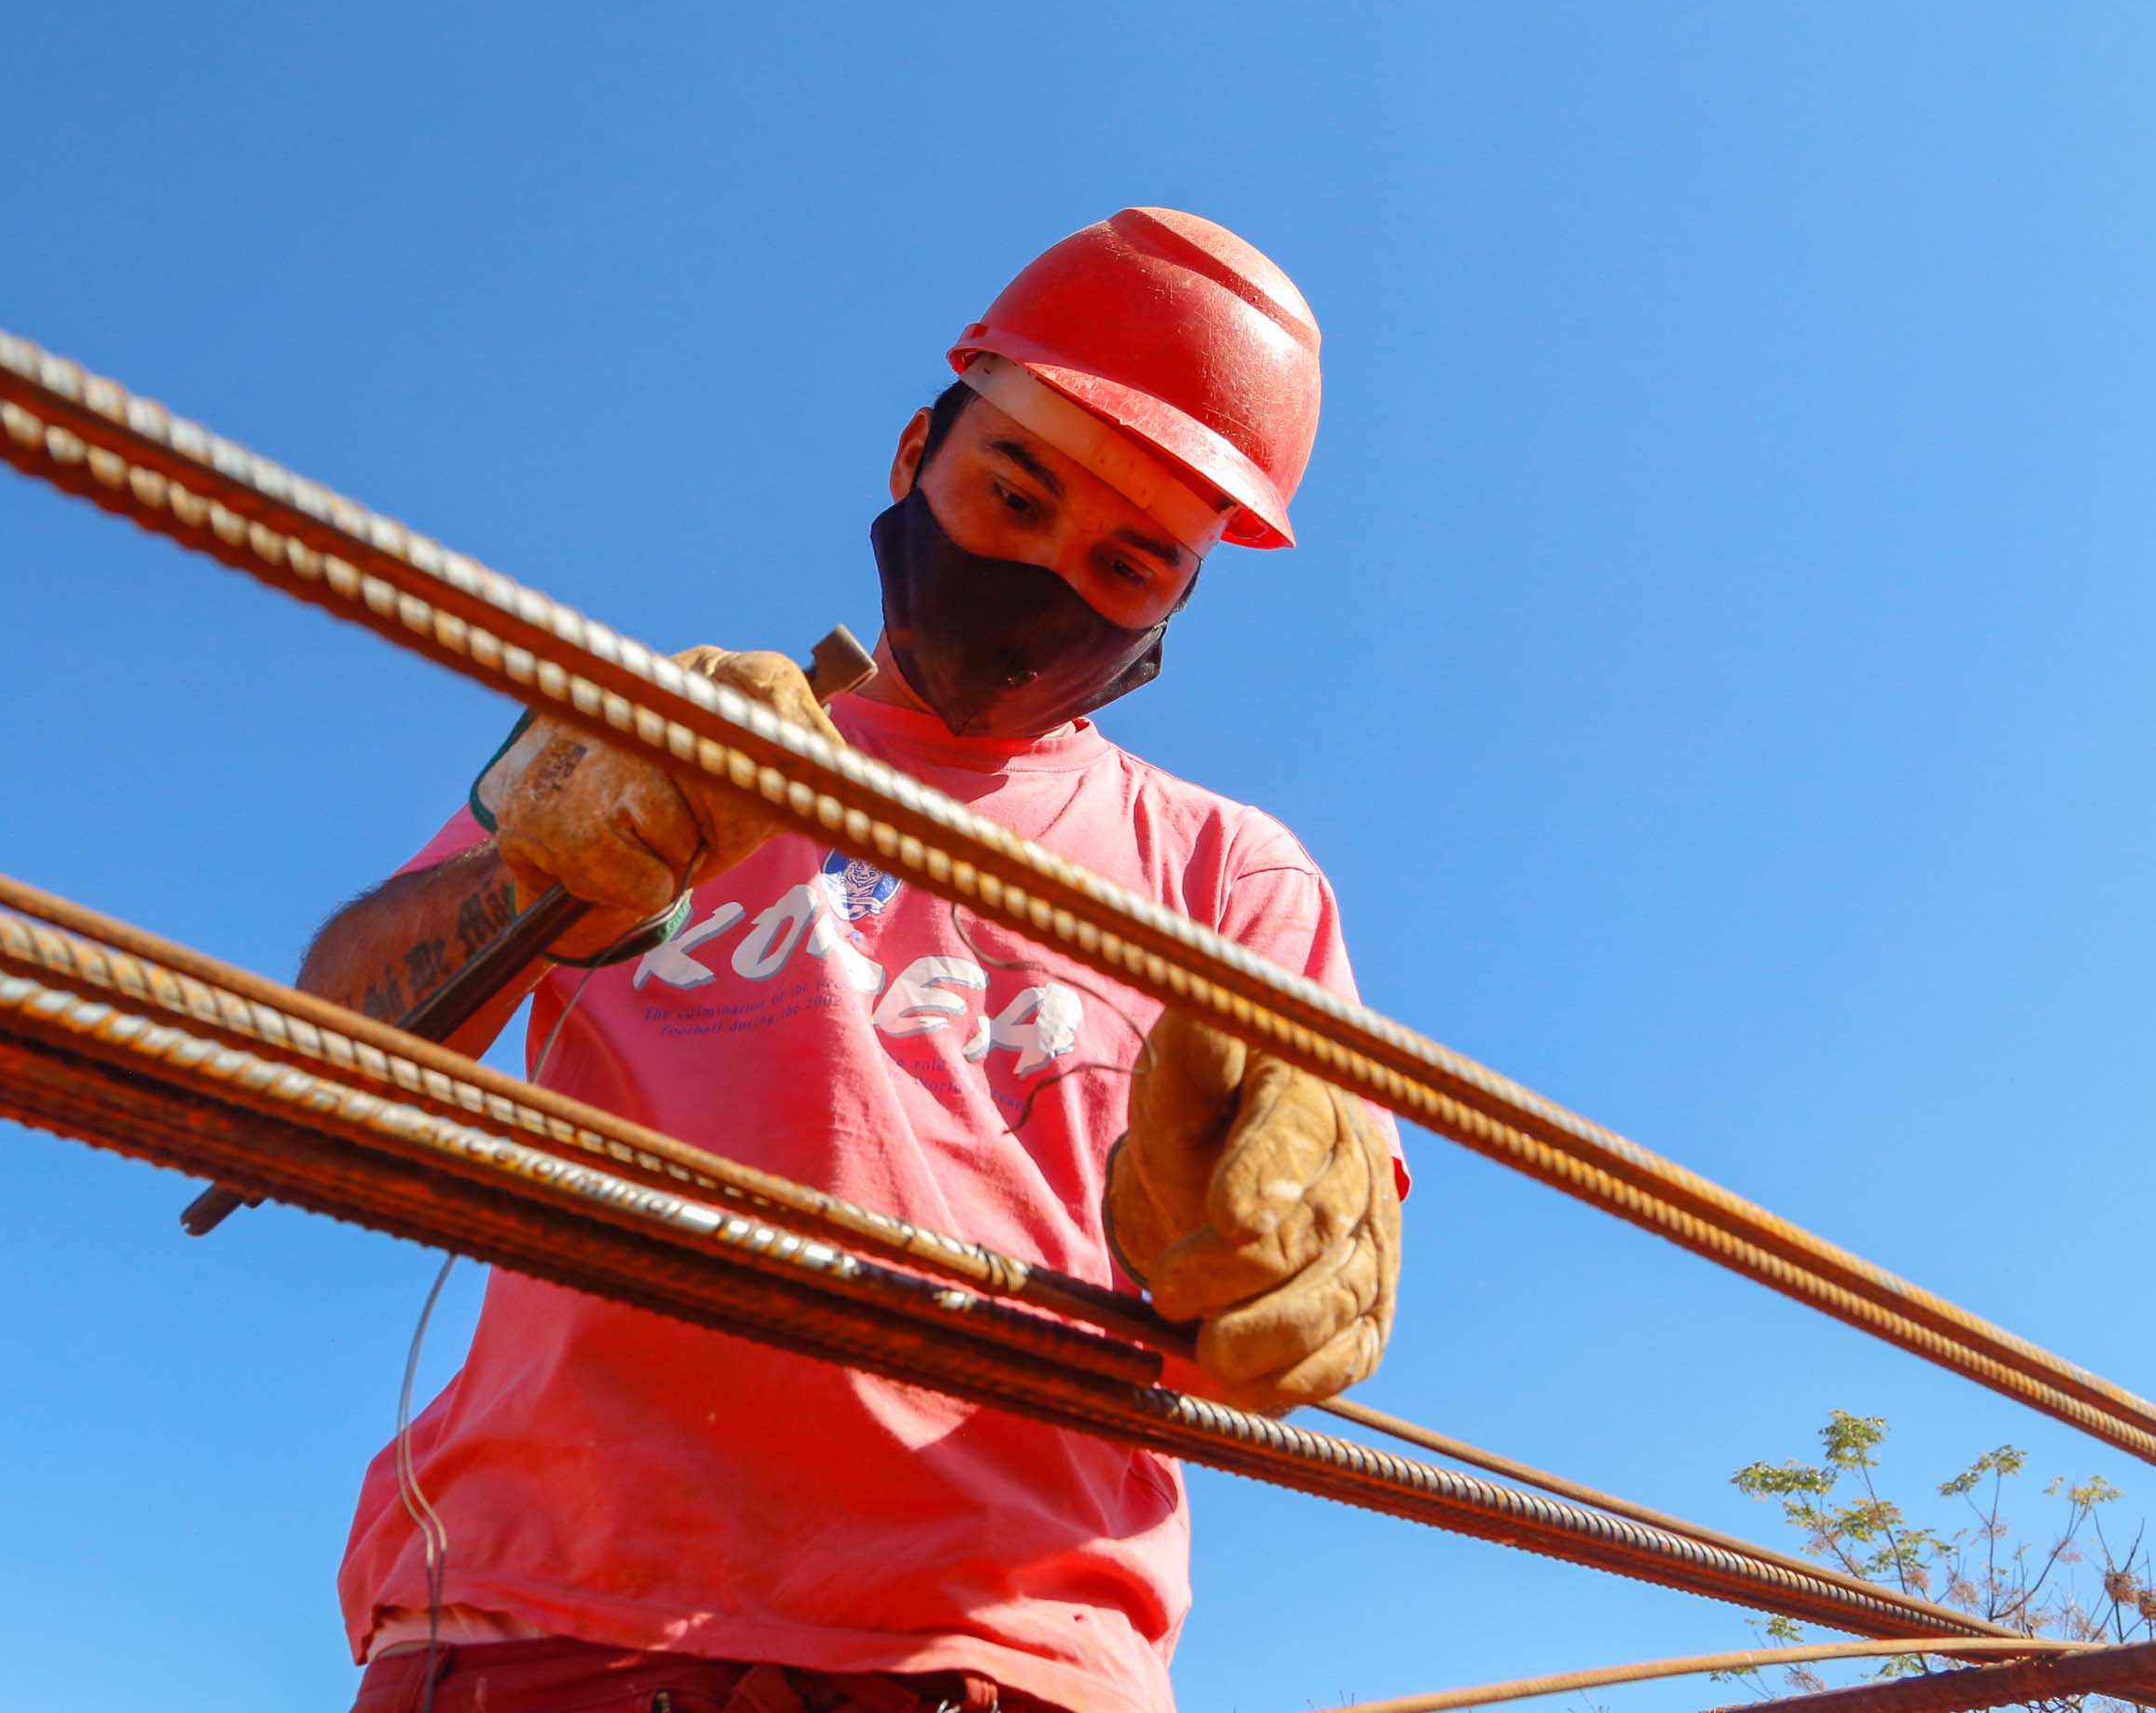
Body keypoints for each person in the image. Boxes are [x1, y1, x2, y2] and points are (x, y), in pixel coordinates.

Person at [311, 209, 1407, 1713]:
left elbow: (1278, 1312)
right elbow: (326, 1058)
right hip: (549, 1614)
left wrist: (1270, 1250)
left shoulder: (1229, 877)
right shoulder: (663, 749)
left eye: (1129, 563)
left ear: (1179, 604)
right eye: (1012, 494)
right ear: (915, 455)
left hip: (1010, 1655)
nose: (1045, 577)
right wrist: (532, 865)